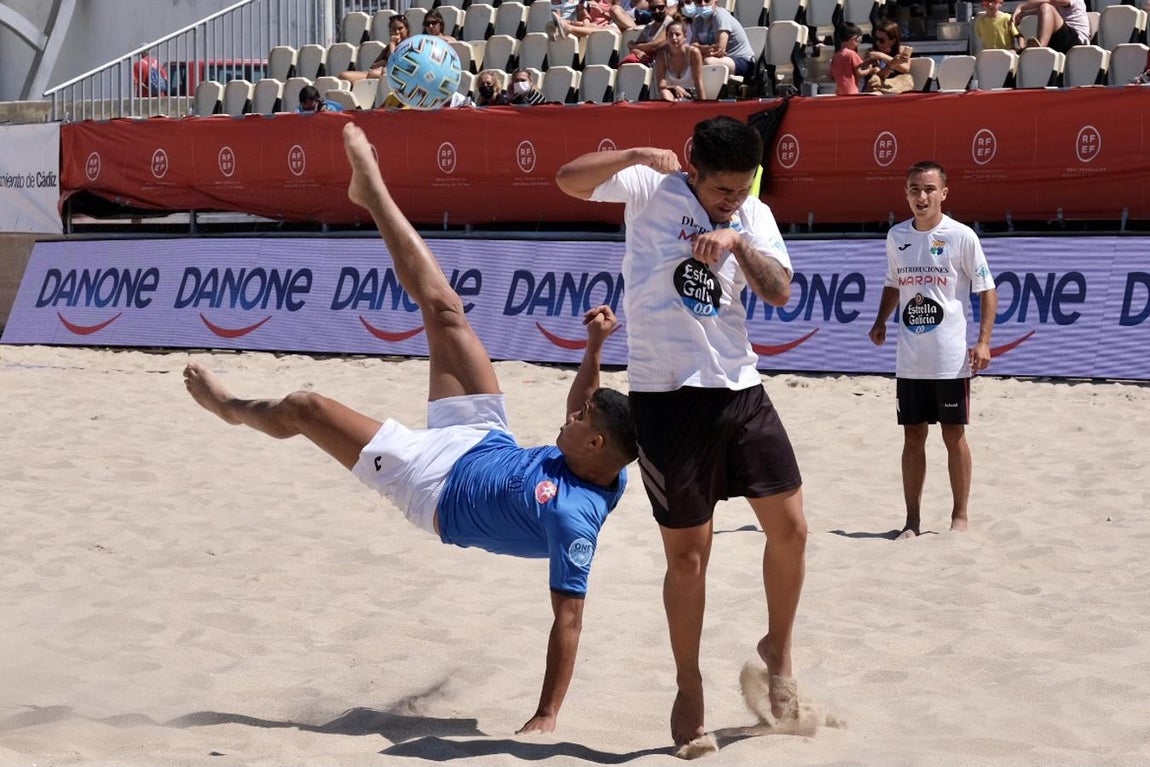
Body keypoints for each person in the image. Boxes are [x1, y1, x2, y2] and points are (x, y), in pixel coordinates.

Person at [185, 122, 637, 735]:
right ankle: (373, 195)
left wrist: (545, 716)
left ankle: (233, 408)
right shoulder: (599, 456)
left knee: (306, 405)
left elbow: (569, 621)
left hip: (433, 486)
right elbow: (586, 406)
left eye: (580, 422)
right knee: (445, 307)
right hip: (485, 439)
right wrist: (592, 347)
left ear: (594, 446)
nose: (571, 415)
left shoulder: (573, 518)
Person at [555, 116, 808, 750]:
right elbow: (567, 180)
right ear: (694, 168)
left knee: (792, 528)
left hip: (739, 389)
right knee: (689, 557)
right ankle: (688, 683)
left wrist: (738, 242)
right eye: (723, 189)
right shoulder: (649, 186)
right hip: (665, 399)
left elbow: (779, 293)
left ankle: (779, 650)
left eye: (743, 187)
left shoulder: (752, 214)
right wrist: (637, 150)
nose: (734, 199)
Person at [867, 161, 998, 539]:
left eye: (928, 189)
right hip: (910, 358)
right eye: (913, 189)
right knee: (912, 438)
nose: (920, 197)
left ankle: (960, 516)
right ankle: (912, 521)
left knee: (953, 436)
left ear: (944, 192)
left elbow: (987, 290)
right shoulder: (896, 236)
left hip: (950, 358)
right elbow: (894, 283)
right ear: (905, 193)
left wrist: (984, 341)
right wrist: (880, 321)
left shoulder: (962, 237)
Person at [682, 0, 756, 78]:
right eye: (699, 1)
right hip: (715, 58)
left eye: (707, 0)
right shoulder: (698, 20)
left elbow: (719, 49)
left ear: (715, 1)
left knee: (708, 63)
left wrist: (700, 50)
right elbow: (692, 48)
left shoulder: (720, 16)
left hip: (740, 61)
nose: (703, 4)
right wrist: (708, 49)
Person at [1011, 0, 1089, 53]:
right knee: (1045, 7)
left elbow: (1050, 3)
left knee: (1046, 7)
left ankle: (1040, 50)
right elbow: (1041, 10)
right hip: (1060, 40)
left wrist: (1021, 6)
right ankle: (1034, 49)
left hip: (1077, 42)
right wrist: (1022, 15)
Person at [654, 20, 705, 100]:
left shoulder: (693, 53)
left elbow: (698, 82)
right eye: (670, 35)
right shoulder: (661, 57)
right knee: (664, 93)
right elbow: (660, 86)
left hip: (690, 95)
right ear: (666, 37)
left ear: (685, 36)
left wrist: (703, 106)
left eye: (677, 35)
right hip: (672, 94)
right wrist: (674, 87)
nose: (674, 38)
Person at [860, 19, 914, 93]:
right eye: (876, 39)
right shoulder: (871, 53)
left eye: (882, 40)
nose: (878, 42)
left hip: (896, 91)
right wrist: (891, 64)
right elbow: (878, 76)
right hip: (875, 92)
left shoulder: (902, 50)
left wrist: (883, 56)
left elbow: (905, 69)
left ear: (893, 41)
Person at [618, 1, 673, 65]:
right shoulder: (649, 26)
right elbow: (632, 47)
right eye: (653, 8)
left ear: (666, 7)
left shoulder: (670, 23)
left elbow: (654, 46)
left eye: (661, 7)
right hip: (648, 62)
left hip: (663, 64)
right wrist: (638, 52)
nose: (657, 11)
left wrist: (635, 46)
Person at [830, 23, 868, 94]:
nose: (858, 43)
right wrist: (870, 70)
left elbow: (832, 75)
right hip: (851, 91)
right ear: (854, 38)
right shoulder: (852, 54)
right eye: (859, 40)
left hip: (839, 92)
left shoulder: (836, 56)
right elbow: (859, 73)